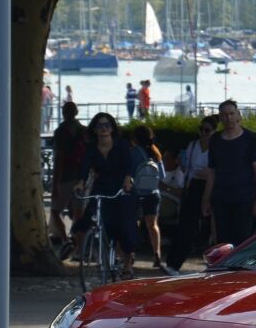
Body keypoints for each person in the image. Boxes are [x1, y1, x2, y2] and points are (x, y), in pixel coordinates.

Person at [72, 112, 139, 278]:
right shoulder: (92, 149)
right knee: (92, 217)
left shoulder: (121, 145)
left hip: (121, 187)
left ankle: (128, 262)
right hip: (101, 186)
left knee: (124, 223)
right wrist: (80, 182)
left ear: (112, 128)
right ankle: (94, 249)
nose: (103, 129)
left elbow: (128, 164)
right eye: (100, 125)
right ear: (94, 129)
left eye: (107, 125)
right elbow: (85, 167)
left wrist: (127, 179)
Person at [202, 100, 256, 246]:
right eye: (224, 115)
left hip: (244, 198)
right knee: (222, 241)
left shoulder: (251, 138)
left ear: (238, 116)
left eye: (231, 114)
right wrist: (206, 199)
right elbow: (211, 172)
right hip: (221, 198)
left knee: (242, 240)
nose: (228, 118)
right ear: (220, 118)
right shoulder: (215, 140)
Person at [165, 115, 217, 275]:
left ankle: (216, 264)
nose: (203, 133)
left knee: (213, 227)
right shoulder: (193, 145)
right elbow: (188, 169)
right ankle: (173, 263)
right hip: (194, 185)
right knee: (186, 226)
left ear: (214, 131)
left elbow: (216, 170)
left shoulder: (217, 147)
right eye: (201, 130)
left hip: (212, 185)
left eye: (207, 130)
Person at [49, 101, 87, 246]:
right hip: (81, 177)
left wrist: (55, 185)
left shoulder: (60, 132)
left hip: (65, 177)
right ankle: (79, 245)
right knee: (79, 213)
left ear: (63, 112)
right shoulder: (84, 130)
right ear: (76, 112)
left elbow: (59, 159)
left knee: (55, 211)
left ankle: (65, 240)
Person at [130, 124, 166, 270]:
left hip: (137, 193)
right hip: (153, 193)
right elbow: (162, 176)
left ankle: (131, 255)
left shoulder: (133, 153)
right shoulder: (156, 153)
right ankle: (157, 253)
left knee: (134, 225)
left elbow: (129, 173)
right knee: (153, 225)